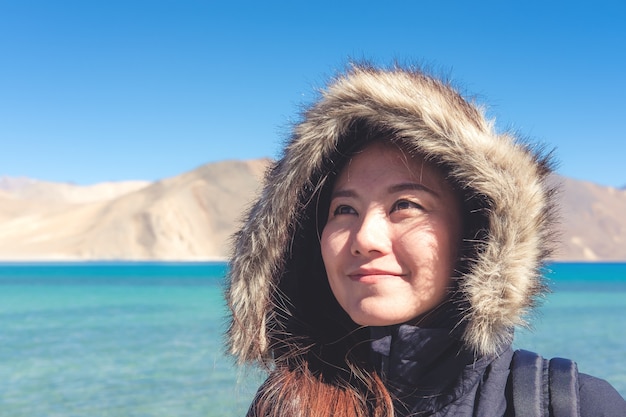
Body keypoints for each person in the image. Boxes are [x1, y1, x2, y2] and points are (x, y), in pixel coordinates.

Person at [225, 64, 626, 416]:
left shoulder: (573, 404)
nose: (365, 238)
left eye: (406, 204)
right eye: (344, 210)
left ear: (477, 233)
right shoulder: (285, 403)